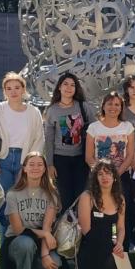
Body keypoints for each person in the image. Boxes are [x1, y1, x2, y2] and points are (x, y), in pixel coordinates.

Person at [0, 72, 45, 239]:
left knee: (22, 204)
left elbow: (39, 138)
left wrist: (30, 165)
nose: (13, 91)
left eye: (17, 87)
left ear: (23, 89)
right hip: (2, 161)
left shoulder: (33, 112)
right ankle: (5, 245)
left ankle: (20, 244)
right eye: (9, 88)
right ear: (4, 91)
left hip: (25, 162)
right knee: (5, 206)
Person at [4, 152, 61, 269]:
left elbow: (47, 227)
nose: (36, 168)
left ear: (45, 169)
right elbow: (18, 230)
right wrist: (45, 234)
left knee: (55, 261)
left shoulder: (51, 194)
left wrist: (45, 254)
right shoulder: (13, 194)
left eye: (40, 164)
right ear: (24, 168)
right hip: (17, 241)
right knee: (26, 243)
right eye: (31, 164)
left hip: (39, 242)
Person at [86, 92, 135, 248]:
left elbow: (130, 155)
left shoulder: (127, 127)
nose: (113, 107)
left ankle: (122, 248)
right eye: (110, 104)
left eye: (117, 104)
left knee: (122, 216)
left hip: (121, 177)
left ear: (121, 107)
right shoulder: (93, 128)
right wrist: (101, 174)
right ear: (103, 106)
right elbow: (88, 156)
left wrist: (116, 175)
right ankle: (99, 246)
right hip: (98, 179)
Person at [75, 161, 127, 269]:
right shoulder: (87, 197)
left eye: (108, 173)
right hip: (91, 246)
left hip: (112, 241)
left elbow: (120, 227)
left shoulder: (120, 199)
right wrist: (110, 246)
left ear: (114, 177)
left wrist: (119, 243)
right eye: (100, 174)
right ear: (95, 178)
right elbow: (86, 231)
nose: (105, 177)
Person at [44, 73, 94, 212]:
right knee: (65, 198)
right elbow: (49, 139)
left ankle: (81, 225)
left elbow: (94, 130)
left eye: (73, 85)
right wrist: (50, 164)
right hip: (60, 160)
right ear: (59, 87)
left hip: (81, 159)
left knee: (81, 197)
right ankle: (65, 224)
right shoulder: (52, 110)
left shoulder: (83, 107)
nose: (69, 88)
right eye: (65, 84)